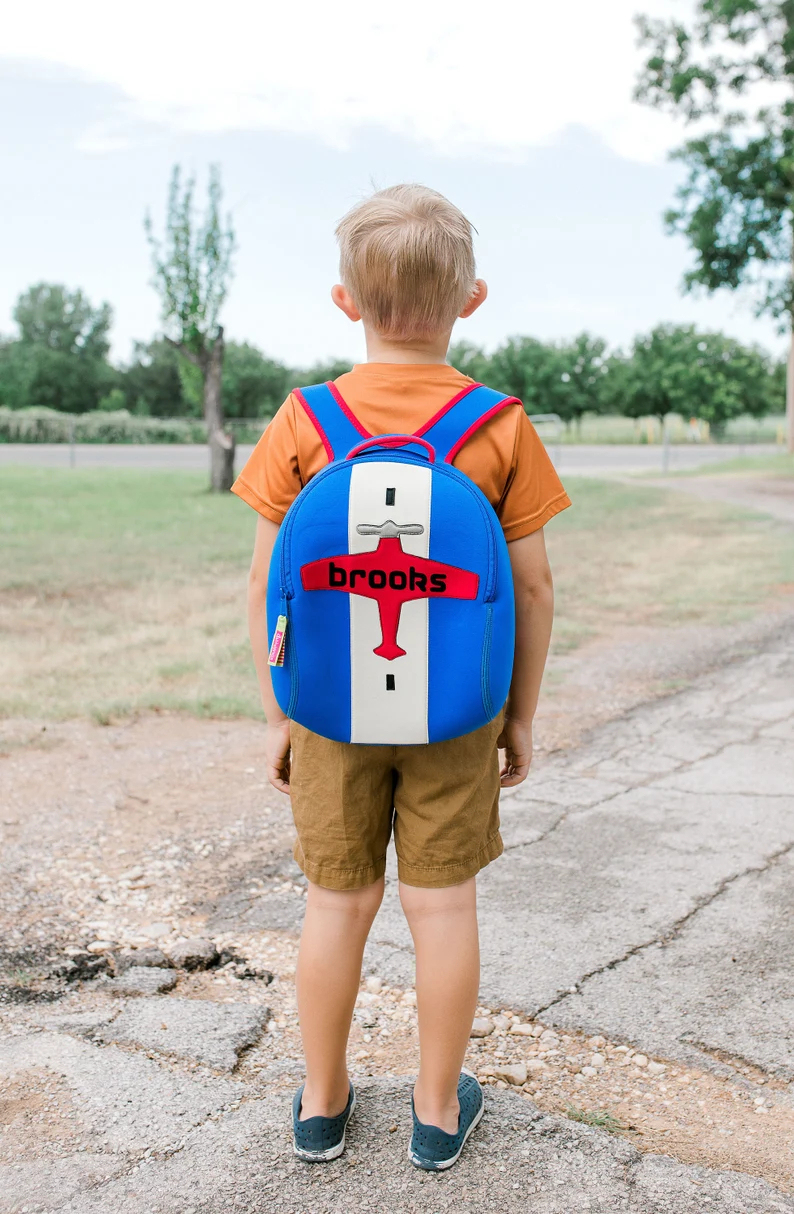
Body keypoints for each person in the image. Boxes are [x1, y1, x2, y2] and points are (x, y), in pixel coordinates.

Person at [233, 184, 570, 1171]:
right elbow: (533, 587)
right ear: (471, 299)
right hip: (454, 717)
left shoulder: (305, 419)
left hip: (331, 713)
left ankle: (322, 1103)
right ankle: (434, 1109)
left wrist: (280, 710)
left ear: (345, 301)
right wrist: (517, 715)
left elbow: (264, 580)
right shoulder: (500, 425)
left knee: (335, 905)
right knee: (443, 907)